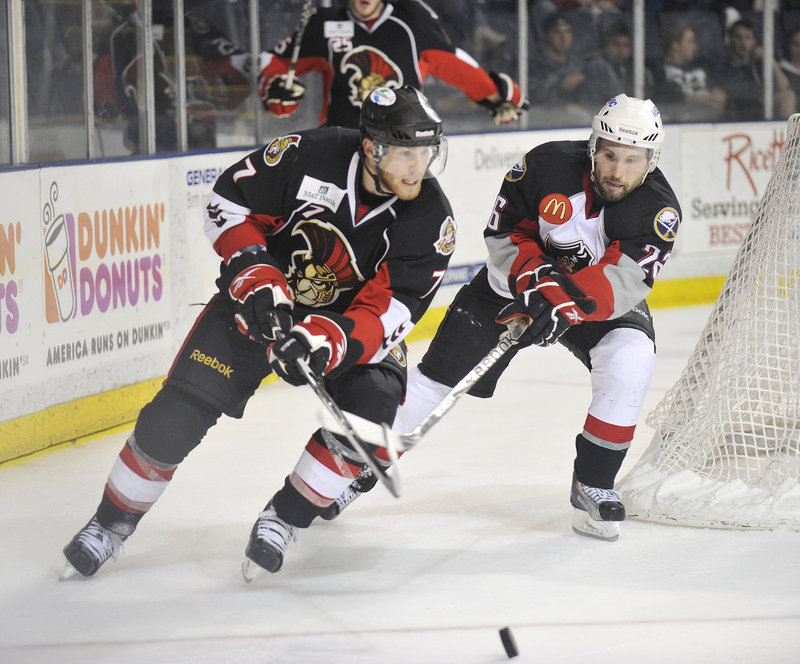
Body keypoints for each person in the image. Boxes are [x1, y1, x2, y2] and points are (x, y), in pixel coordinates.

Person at [61, 85, 456, 578]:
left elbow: (392, 310)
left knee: (370, 412)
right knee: (174, 415)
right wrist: (260, 283)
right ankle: (108, 526)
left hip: (342, 329)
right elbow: (227, 203)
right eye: (405, 154)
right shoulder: (307, 156)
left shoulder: (431, 218)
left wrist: (321, 339)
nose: (418, 166)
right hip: (259, 306)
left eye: (425, 152)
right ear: (372, 147)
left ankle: (283, 520)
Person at [332, 94, 682, 543]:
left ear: (650, 161)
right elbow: (504, 234)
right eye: (610, 154)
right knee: (433, 385)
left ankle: (593, 482)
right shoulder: (544, 165)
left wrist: (562, 302)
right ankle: (350, 469)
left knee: (631, 360)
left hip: (594, 305)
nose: (617, 171)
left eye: (632, 160)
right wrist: (538, 285)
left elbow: (622, 281)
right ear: (593, 145)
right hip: (508, 289)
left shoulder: (658, 209)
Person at [258, 0, 528, 129]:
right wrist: (276, 87)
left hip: (404, 142)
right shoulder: (324, 22)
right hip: (340, 139)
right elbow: (275, 62)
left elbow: (454, 63)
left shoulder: (412, 19)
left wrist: (496, 96)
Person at [93, 3, 251, 153]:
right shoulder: (121, 36)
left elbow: (239, 74)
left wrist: (210, 96)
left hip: (198, 134)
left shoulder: (188, 25)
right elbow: (115, 101)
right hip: (149, 139)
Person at [715, 17, 795, 121]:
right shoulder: (724, 64)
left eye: (748, 37)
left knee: (787, 97)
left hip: (763, 107)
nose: (743, 43)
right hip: (738, 110)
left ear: (754, 41)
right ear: (730, 39)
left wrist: (770, 61)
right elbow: (726, 93)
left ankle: (788, 136)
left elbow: (784, 86)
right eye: (738, 37)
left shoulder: (760, 63)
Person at [649, 21, 726, 122]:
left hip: (711, 120)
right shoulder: (659, 71)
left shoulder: (701, 68)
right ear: (675, 45)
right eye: (690, 42)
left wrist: (719, 95)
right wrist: (707, 99)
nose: (694, 47)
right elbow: (673, 100)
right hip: (679, 122)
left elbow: (719, 94)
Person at [528, 13, 595, 127]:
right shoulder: (535, 64)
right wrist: (563, 106)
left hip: (576, 112)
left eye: (567, 32)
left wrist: (585, 75)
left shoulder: (578, 63)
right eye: (557, 32)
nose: (563, 37)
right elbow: (534, 95)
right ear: (545, 36)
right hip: (546, 114)